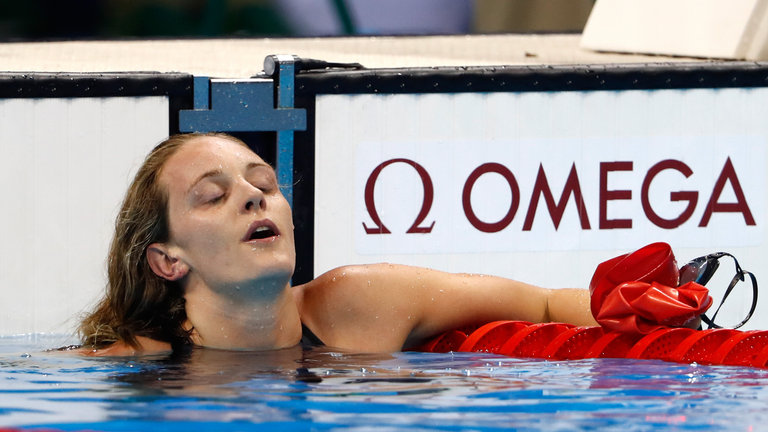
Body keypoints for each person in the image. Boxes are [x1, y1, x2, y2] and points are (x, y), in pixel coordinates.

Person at [79, 133, 597, 356]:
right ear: (168, 260)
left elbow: (548, 304)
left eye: (264, 184)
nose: (253, 198)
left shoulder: (360, 304)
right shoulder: (139, 364)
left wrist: (653, 311)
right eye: (213, 197)